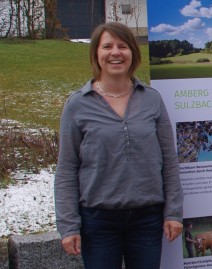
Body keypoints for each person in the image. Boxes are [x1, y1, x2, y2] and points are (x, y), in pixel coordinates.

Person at [54, 22, 183, 269]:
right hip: (98, 221)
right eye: (107, 46)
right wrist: (69, 225)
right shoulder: (78, 105)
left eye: (123, 46)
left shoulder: (152, 99)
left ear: (132, 53)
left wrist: (173, 212)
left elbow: (169, 160)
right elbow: (67, 169)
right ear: (96, 54)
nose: (116, 52)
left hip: (147, 219)